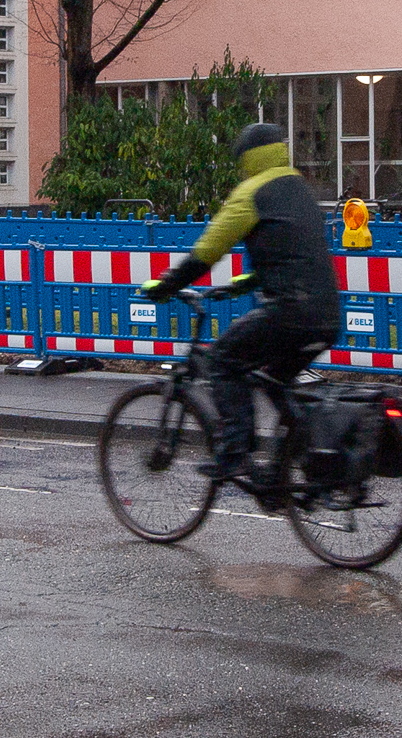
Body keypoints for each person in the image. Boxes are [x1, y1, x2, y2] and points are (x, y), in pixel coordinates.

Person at [138, 122, 343, 481]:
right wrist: (244, 283)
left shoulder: (251, 192)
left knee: (222, 361)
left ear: (247, 158)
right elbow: (295, 253)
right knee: (276, 378)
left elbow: (207, 251)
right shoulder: (298, 188)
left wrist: (169, 284)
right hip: (326, 314)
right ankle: (290, 469)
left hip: (289, 312)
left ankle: (234, 453)